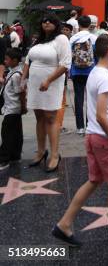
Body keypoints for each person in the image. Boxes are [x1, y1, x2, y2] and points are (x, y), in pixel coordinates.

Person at [52, 35, 108, 248]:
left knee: (94, 181)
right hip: (106, 139)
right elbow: (103, 115)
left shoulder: (97, 73)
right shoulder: (103, 77)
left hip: (94, 137)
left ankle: (64, 224)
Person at [22, 15, 71, 172]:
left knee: (51, 118)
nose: (47, 22)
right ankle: (41, 151)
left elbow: (65, 64)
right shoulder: (38, 41)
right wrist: (23, 79)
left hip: (51, 84)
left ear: (56, 24)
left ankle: (55, 155)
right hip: (35, 84)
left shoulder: (62, 39)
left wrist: (49, 80)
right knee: (39, 117)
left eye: (50, 20)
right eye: (44, 20)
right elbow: (27, 61)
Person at [70, 16, 97, 135]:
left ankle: (80, 127)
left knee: (78, 98)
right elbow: (97, 56)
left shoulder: (73, 39)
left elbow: (69, 56)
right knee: (90, 99)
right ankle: (89, 125)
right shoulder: (94, 38)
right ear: (90, 24)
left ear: (78, 24)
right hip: (91, 71)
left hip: (76, 72)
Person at [0, 48, 26, 170]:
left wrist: (23, 107)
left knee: (7, 134)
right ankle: (15, 156)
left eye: (7, 59)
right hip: (10, 108)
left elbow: (21, 92)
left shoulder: (17, 75)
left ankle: (4, 159)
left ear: (15, 61)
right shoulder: (12, 71)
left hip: (13, 108)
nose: (5, 61)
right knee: (15, 133)